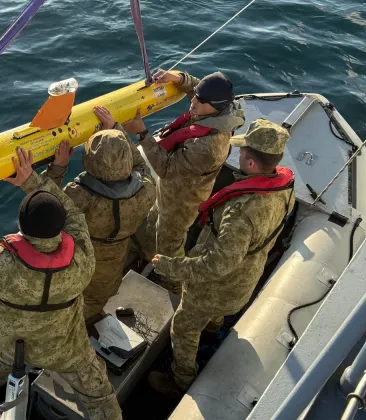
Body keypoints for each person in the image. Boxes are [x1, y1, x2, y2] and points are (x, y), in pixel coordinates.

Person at [0, 148, 122, 420]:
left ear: (20, 224)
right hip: (68, 353)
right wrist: (32, 179)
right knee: (101, 397)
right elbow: (73, 212)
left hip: (12, 348)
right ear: (61, 226)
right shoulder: (82, 259)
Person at [148, 119, 296, 395]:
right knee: (213, 317)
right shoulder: (285, 189)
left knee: (183, 330)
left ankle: (180, 379)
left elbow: (219, 264)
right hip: (244, 281)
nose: (237, 155)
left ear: (251, 163)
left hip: (216, 287)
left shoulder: (240, 212)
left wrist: (172, 266)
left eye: (242, 153)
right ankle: (213, 331)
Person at [123, 69, 245, 291]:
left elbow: (166, 168)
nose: (194, 102)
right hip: (167, 192)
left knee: (170, 243)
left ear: (216, 106)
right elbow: (197, 88)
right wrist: (179, 79)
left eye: (201, 100)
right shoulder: (219, 110)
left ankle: (172, 284)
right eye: (196, 95)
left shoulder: (208, 147)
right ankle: (150, 255)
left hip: (181, 201)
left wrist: (142, 134)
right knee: (152, 226)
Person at [43, 106, 156, 320]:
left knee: (74, 300)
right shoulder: (146, 190)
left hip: (80, 261)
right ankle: (92, 317)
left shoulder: (79, 195)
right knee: (98, 297)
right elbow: (141, 166)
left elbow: (45, 202)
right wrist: (116, 129)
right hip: (114, 260)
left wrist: (58, 167)